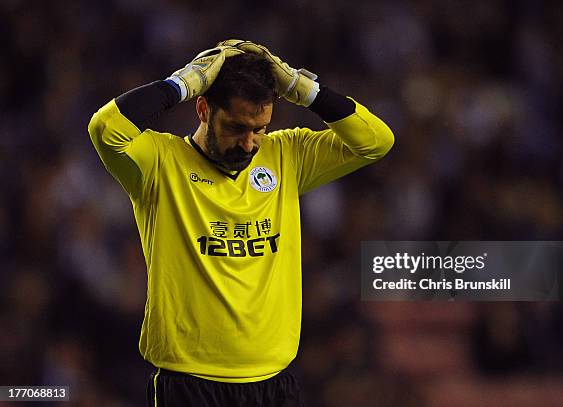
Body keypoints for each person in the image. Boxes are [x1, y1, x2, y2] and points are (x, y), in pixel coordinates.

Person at [88, 40, 394, 406]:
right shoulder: (160, 163)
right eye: (236, 127)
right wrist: (182, 83)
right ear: (203, 109)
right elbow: (105, 128)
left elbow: (376, 141)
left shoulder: (286, 155)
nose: (249, 143)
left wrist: (301, 87)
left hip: (274, 383)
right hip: (191, 382)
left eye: (260, 128)